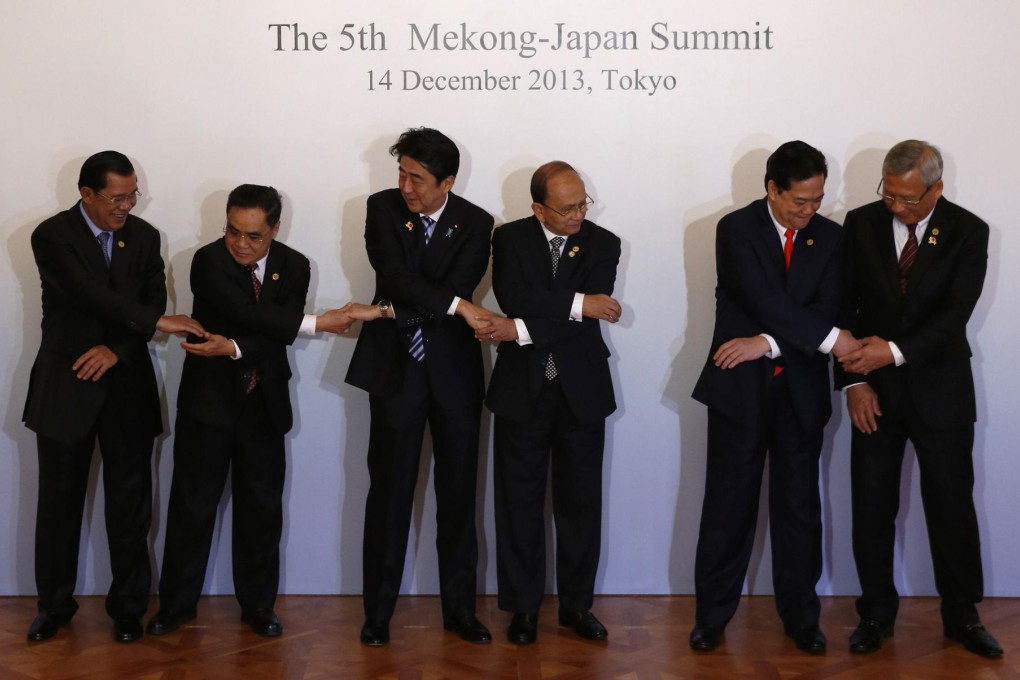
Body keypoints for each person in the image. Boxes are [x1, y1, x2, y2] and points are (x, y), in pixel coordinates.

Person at [146, 184, 354, 638]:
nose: (241, 244)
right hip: (209, 405)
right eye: (233, 231)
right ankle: (176, 605)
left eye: (254, 236)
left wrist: (235, 346)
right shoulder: (206, 261)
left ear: (275, 229)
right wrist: (316, 323)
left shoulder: (295, 265)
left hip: (265, 403)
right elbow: (244, 310)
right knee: (192, 507)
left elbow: (271, 332)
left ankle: (259, 606)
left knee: (261, 510)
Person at [23, 150, 206, 643]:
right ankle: (53, 606)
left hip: (125, 386)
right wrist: (149, 325)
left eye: (132, 196)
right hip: (68, 386)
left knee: (130, 507)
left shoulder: (144, 237)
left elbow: (150, 300)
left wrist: (117, 347)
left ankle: (128, 608)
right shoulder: (52, 235)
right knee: (58, 507)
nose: (127, 206)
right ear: (87, 194)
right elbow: (84, 292)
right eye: (117, 198)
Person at [689, 141, 858, 654]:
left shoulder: (831, 237)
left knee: (799, 509)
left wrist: (766, 342)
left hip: (800, 396)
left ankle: (802, 617)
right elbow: (763, 297)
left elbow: (830, 304)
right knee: (727, 507)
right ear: (772, 189)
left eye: (817, 200)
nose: (809, 211)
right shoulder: (735, 228)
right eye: (799, 202)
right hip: (739, 392)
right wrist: (829, 340)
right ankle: (712, 618)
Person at [836, 140, 1001, 658]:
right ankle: (875, 615)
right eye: (890, 194)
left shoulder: (969, 231)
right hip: (873, 393)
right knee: (871, 504)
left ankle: (962, 616)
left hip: (942, 392)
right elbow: (843, 307)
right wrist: (853, 382)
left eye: (909, 199)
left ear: (937, 188)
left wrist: (895, 352)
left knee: (951, 504)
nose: (897, 207)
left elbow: (955, 316)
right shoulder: (859, 225)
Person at [345, 127, 495, 646]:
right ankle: (378, 613)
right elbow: (394, 274)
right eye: (402, 174)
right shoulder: (381, 207)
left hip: (454, 376)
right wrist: (453, 306)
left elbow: (446, 283)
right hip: (395, 371)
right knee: (388, 495)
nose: (406, 186)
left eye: (418, 178)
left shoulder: (476, 223)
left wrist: (402, 304)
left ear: (447, 181)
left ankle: (460, 611)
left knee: (458, 496)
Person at [475, 161, 621, 645]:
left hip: (582, 390)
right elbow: (514, 294)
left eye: (583, 203)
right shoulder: (510, 238)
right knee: (519, 504)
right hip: (523, 392)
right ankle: (523, 609)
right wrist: (580, 305)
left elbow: (535, 309)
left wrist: (519, 328)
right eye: (566, 209)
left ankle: (578, 607)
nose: (578, 214)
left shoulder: (604, 242)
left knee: (581, 505)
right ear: (538, 208)